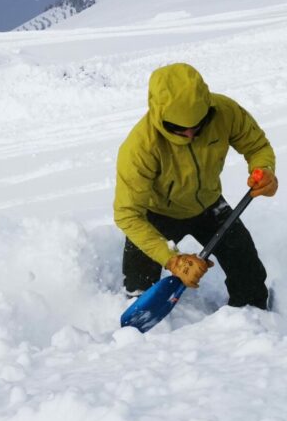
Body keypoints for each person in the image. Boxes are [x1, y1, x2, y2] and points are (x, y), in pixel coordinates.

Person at [114, 63, 278, 308]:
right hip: (156, 214)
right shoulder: (139, 148)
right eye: (178, 129)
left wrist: (264, 170)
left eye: (198, 125)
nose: (190, 134)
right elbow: (127, 215)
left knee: (249, 275)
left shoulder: (225, 111)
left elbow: (256, 146)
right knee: (139, 292)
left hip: (210, 205)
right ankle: (141, 341)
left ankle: (253, 320)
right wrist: (172, 260)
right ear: (159, 115)